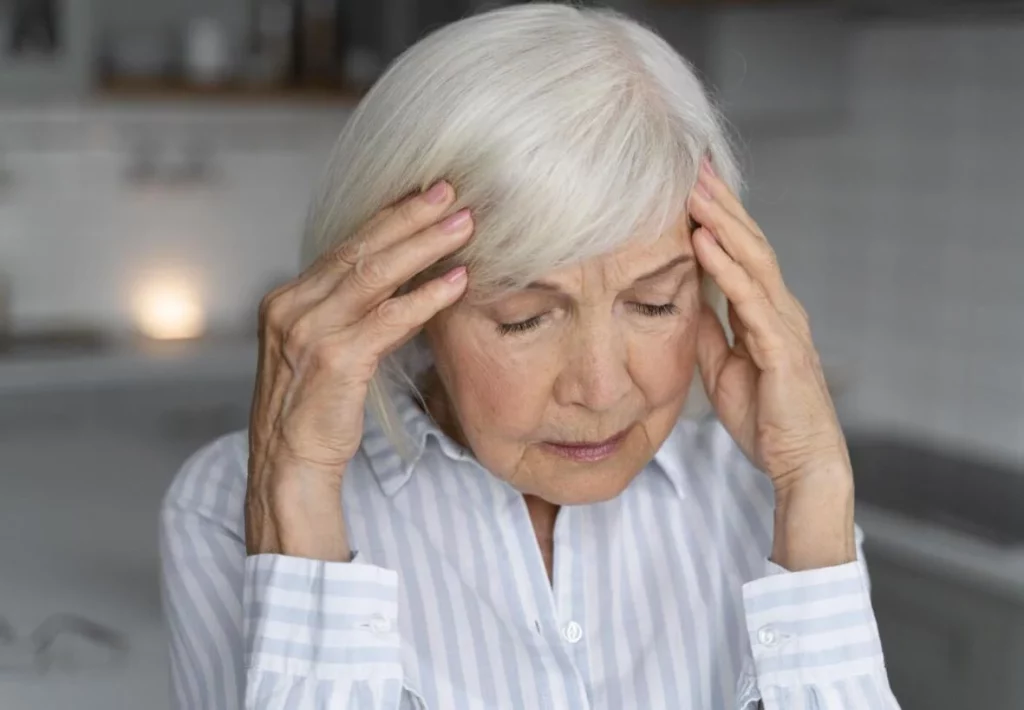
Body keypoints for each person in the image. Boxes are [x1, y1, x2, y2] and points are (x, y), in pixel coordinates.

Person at [159, 4, 900, 709]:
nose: (602, 389)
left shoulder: (766, 500)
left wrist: (817, 487)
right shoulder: (228, 506)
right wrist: (297, 521)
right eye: (525, 319)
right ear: (406, 305)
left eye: (654, 303)